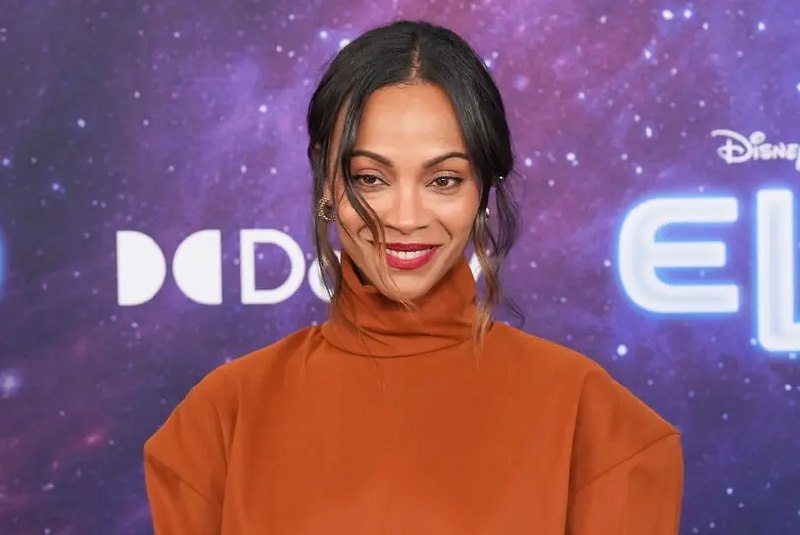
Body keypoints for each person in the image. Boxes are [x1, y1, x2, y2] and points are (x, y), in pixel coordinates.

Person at [143, 19, 683, 534]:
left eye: (443, 180)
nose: (405, 218)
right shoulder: (220, 421)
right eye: (371, 178)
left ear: (483, 190)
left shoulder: (598, 426)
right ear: (326, 180)